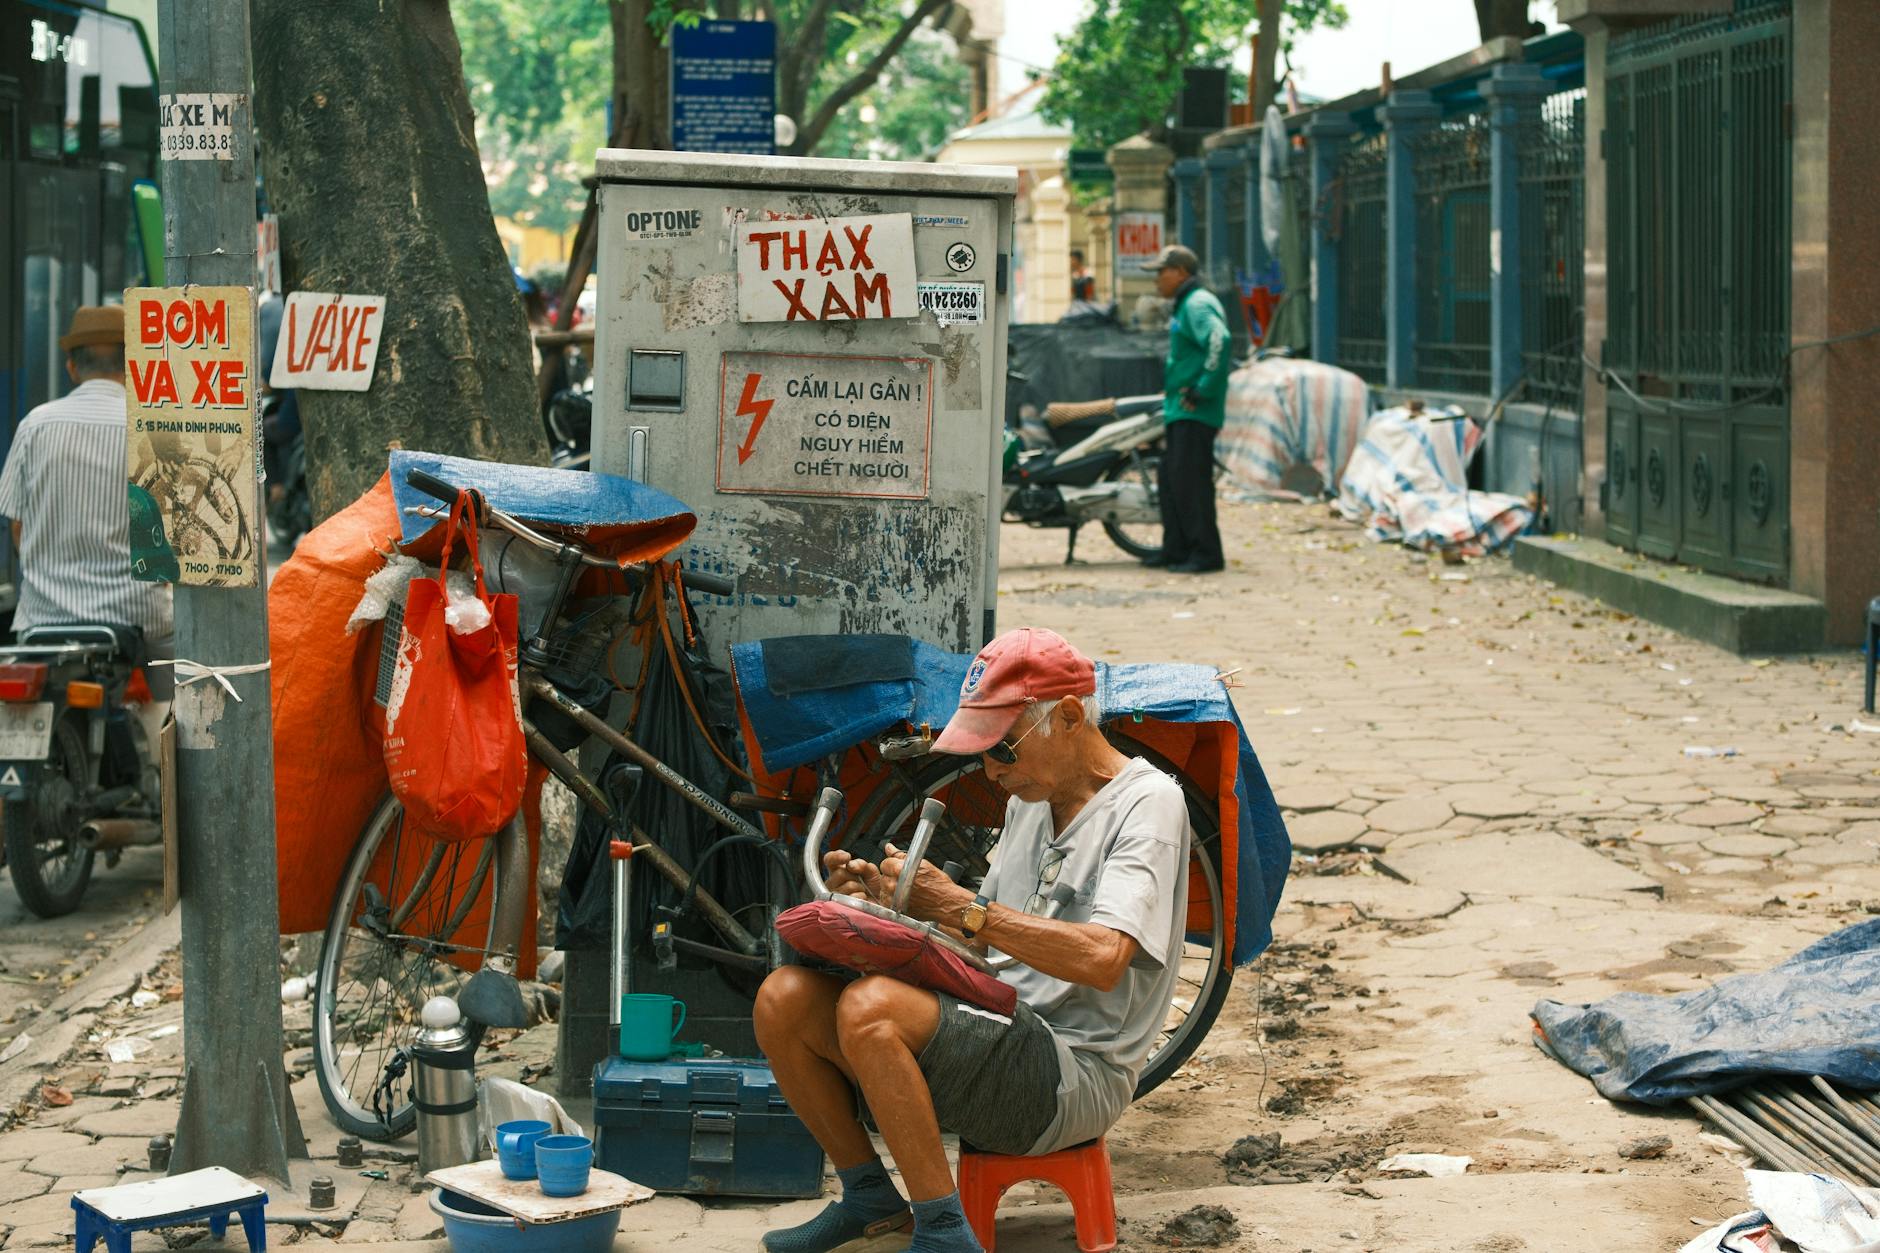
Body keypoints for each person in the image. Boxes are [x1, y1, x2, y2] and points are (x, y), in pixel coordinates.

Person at [754, 627, 1192, 1253]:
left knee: (872, 1009)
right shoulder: (1029, 801)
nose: (991, 771)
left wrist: (964, 908)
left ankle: (943, 1233)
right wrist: (890, 906)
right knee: (785, 997)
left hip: (1073, 1074)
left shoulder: (1148, 804)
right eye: (984, 753)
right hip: (1000, 1027)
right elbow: (983, 950)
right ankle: (871, 1198)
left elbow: (1103, 958)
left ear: (1069, 717)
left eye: (1003, 749)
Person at [0, 306, 174, 696]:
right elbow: (167, 539)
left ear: (71, 368)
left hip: (43, 619)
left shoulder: (35, 425)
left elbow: (17, 527)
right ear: (132, 365)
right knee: (188, 699)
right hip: (138, 618)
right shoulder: (150, 427)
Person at [1141, 244, 1231, 573]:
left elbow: (1220, 340)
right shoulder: (1186, 304)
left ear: (1180, 272)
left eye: (1161, 272)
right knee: (1172, 480)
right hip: (1181, 409)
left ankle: (1206, 554)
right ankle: (1176, 550)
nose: (1156, 280)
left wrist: (1202, 388)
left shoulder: (1197, 304)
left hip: (1195, 410)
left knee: (1192, 484)